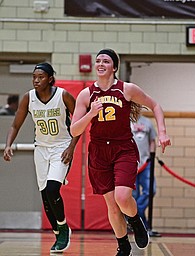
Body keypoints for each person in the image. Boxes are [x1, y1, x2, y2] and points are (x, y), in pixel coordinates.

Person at [70, 48, 171, 256]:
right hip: (98, 151)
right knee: (112, 206)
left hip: (123, 148)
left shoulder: (126, 89)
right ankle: (123, 246)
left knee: (123, 197)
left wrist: (162, 132)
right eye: (98, 60)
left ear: (114, 67)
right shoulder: (86, 94)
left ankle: (135, 220)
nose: (100, 64)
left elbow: (155, 105)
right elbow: (74, 130)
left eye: (105, 61)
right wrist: (91, 113)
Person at [3, 63, 80, 253]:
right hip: (41, 149)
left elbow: (80, 121)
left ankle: (63, 228)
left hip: (61, 148)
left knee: (53, 189)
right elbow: (15, 125)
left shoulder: (63, 96)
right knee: (45, 195)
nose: (36, 80)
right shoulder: (29, 98)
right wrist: (8, 144)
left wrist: (72, 147)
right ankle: (57, 232)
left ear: (50, 79)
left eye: (41, 77)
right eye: (34, 77)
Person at [131, 115, 157, 229]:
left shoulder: (147, 122)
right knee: (133, 195)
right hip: (130, 163)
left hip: (145, 163)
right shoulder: (123, 120)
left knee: (151, 190)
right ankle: (138, 223)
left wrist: (152, 156)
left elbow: (152, 141)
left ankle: (137, 213)